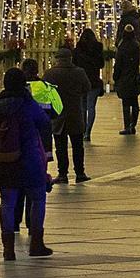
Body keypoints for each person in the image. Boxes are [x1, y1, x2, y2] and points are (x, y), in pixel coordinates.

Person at [0, 67, 53, 260]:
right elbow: (44, 121)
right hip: (29, 158)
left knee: (7, 203)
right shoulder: (27, 103)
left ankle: (8, 248)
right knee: (37, 198)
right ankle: (36, 243)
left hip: (5, 159)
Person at [14, 59, 60, 233]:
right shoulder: (46, 88)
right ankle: (32, 223)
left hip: (16, 145)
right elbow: (58, 109)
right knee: (36, 185)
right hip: (42, 144)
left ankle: (15, 222)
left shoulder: (14, 92)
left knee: (17, 185)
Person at [43, 47, 91, 184]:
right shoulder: (79, 72)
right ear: (70, 58)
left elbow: (45, 92)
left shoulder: (50, 74)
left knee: (60, 146)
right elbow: (87, 88)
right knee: (78, 146)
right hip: (75, 113)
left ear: (57, 59)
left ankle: (62, 174)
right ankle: (80, 172)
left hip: (58, 115)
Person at [73, 27, 105, 142]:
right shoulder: (98, 48)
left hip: (81, 82)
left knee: (82, 107)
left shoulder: (77, 51)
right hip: (94, 82)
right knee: (91, 107)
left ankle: (82, 130)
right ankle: (88, 132)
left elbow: (74, 65)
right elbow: (101, 64)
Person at [113, 23, 140, 135]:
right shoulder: (136, 46)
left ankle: (127, 125)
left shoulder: (122, 47)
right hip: (134, 78)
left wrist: (115, 76)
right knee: (135, 102)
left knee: (126, 103)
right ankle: (133, 125)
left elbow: (118, 64)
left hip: (124, 78)